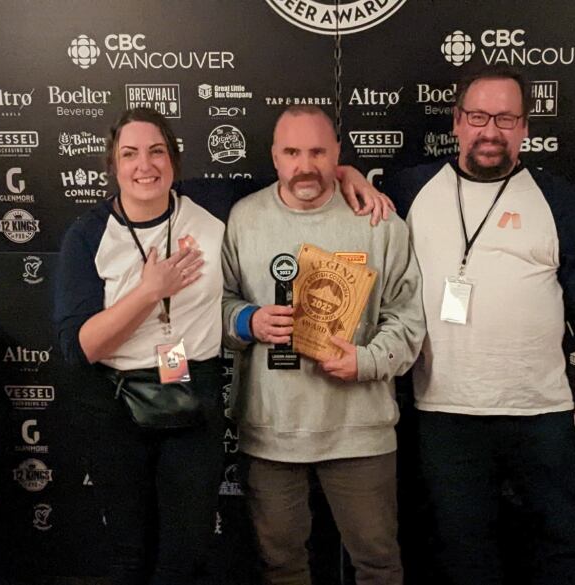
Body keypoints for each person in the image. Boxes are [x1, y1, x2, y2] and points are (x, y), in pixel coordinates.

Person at [54, 106, 392, 585]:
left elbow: (297, 174)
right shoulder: (88, 234)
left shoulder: (214, 202)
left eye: (156, 151)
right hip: (115, 404)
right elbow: (78, 346)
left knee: (185, 549)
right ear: (113, 164)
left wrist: (345, 171)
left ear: (173, 158)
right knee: (129, 552)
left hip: (194, 396)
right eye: (129, 154)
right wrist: (151, 290)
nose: (144, 165)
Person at [384, 65, 575, 585]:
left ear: (525, 128)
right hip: (445, 411)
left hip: (542, 412)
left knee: (564, 549)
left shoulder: (556, 200)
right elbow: (347, 203)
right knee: (461, 554)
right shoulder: (410, 191)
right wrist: (351, 176)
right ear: (457, 121)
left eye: (506, 119)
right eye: (479, 116)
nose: (491, 131)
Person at [221, 105, 425, 585]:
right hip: (271, 430)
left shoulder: (379, 221)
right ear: (274, 157)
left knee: (377, 566)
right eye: (292, 152)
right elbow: (214, 303)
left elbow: (408, 318)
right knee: (280, 567)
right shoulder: (244, 218)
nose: (304, 165)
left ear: (337, 154)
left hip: (359, 429)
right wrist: (247, 321)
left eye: (317, 151)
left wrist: (369, 360)